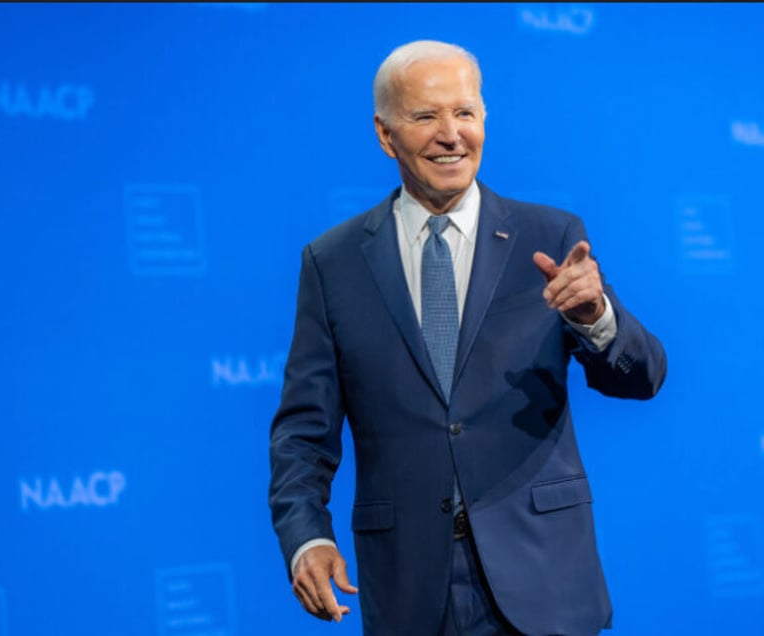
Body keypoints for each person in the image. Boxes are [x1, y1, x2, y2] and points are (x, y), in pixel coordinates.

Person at [268, 40, 666, 636]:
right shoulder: (333, 262)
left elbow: (642, 379)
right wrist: (307, 538)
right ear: (385, 134)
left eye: (465, 113)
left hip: (543, 578)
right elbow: (303, 432)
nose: (451, 134)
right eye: (427, 116)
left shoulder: (551, 234)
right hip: (408, 587)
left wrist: (596, 317)